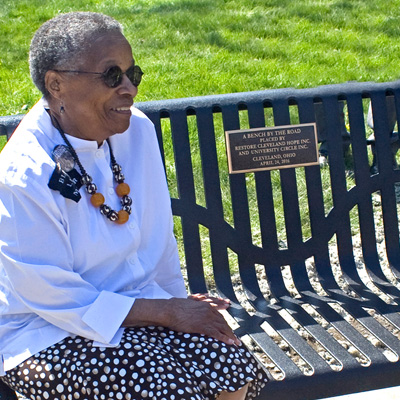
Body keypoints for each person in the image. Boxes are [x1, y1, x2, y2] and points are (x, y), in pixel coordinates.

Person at [0, 11, 267, 400]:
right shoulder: (23, 173)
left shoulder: (136, 131)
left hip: (136, 306)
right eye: (112, 76)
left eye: (132, 74)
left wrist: (176, 305)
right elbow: (48, 294)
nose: (129, 89)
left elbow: (157, 239)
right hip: (46, 331)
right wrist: (165, 313)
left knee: (231, 364)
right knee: (167, 390)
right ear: (56, 84)